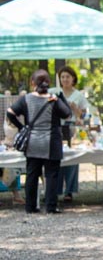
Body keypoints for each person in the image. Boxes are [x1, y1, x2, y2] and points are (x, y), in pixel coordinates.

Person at [6, 70, 71, 214]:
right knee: (51, 175)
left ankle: (30, 207)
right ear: (49, 83)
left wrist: (21, 127)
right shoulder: (53, 99)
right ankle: (51, 207)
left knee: (32, 175)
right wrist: (60, 97)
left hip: (33, 142)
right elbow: (67, 114)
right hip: (51, 143)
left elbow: (10, 112)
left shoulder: (26, 99)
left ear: (32, 83)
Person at [49, 66, 89, 202]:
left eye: (67, 77)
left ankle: (69, 191)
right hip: (56, 128)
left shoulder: (78, 95)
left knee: (72, 159)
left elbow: (84, 116)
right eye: (62, 77)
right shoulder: (54, 92)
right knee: (57, 158)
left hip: (71, 129)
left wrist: (75, 108)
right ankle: (56, 190)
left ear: (73, 79)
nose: (65, 79)